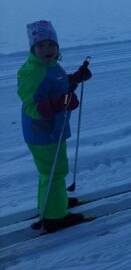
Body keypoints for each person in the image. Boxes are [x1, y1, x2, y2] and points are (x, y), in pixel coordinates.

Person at [17, 20, 92, 233]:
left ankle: (53, 202)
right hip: (43, 132)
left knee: (52, 171)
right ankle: (55, 217)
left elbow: (56, 84)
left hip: (53, 130)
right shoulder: (34, 72)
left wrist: (75, 78)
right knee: (55, 172)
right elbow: (31, 106)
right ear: (32, 48)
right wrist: (60, 103)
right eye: (40, 45)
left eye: (51, 44)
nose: (47, 49)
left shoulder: (49, 66)